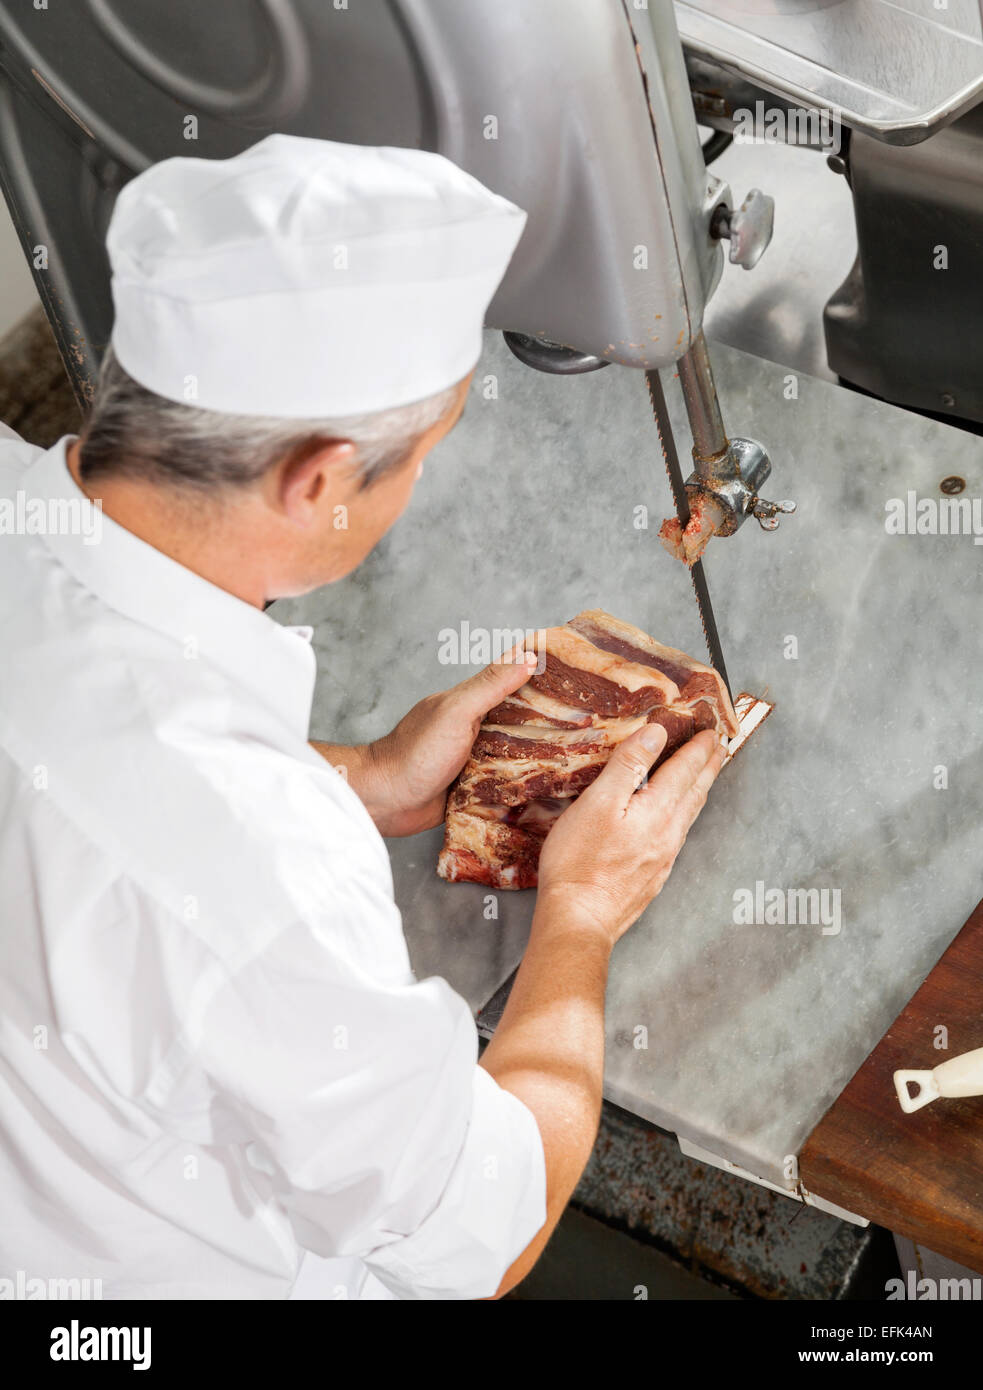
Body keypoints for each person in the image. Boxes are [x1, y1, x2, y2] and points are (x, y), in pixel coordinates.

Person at [0, 134, 725, 1301]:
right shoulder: (260, 874)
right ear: (318, 481)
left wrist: (364, 775)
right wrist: (583, 911)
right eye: (420, 456)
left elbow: (75, 762)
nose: (419, 484)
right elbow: (489, 1229)